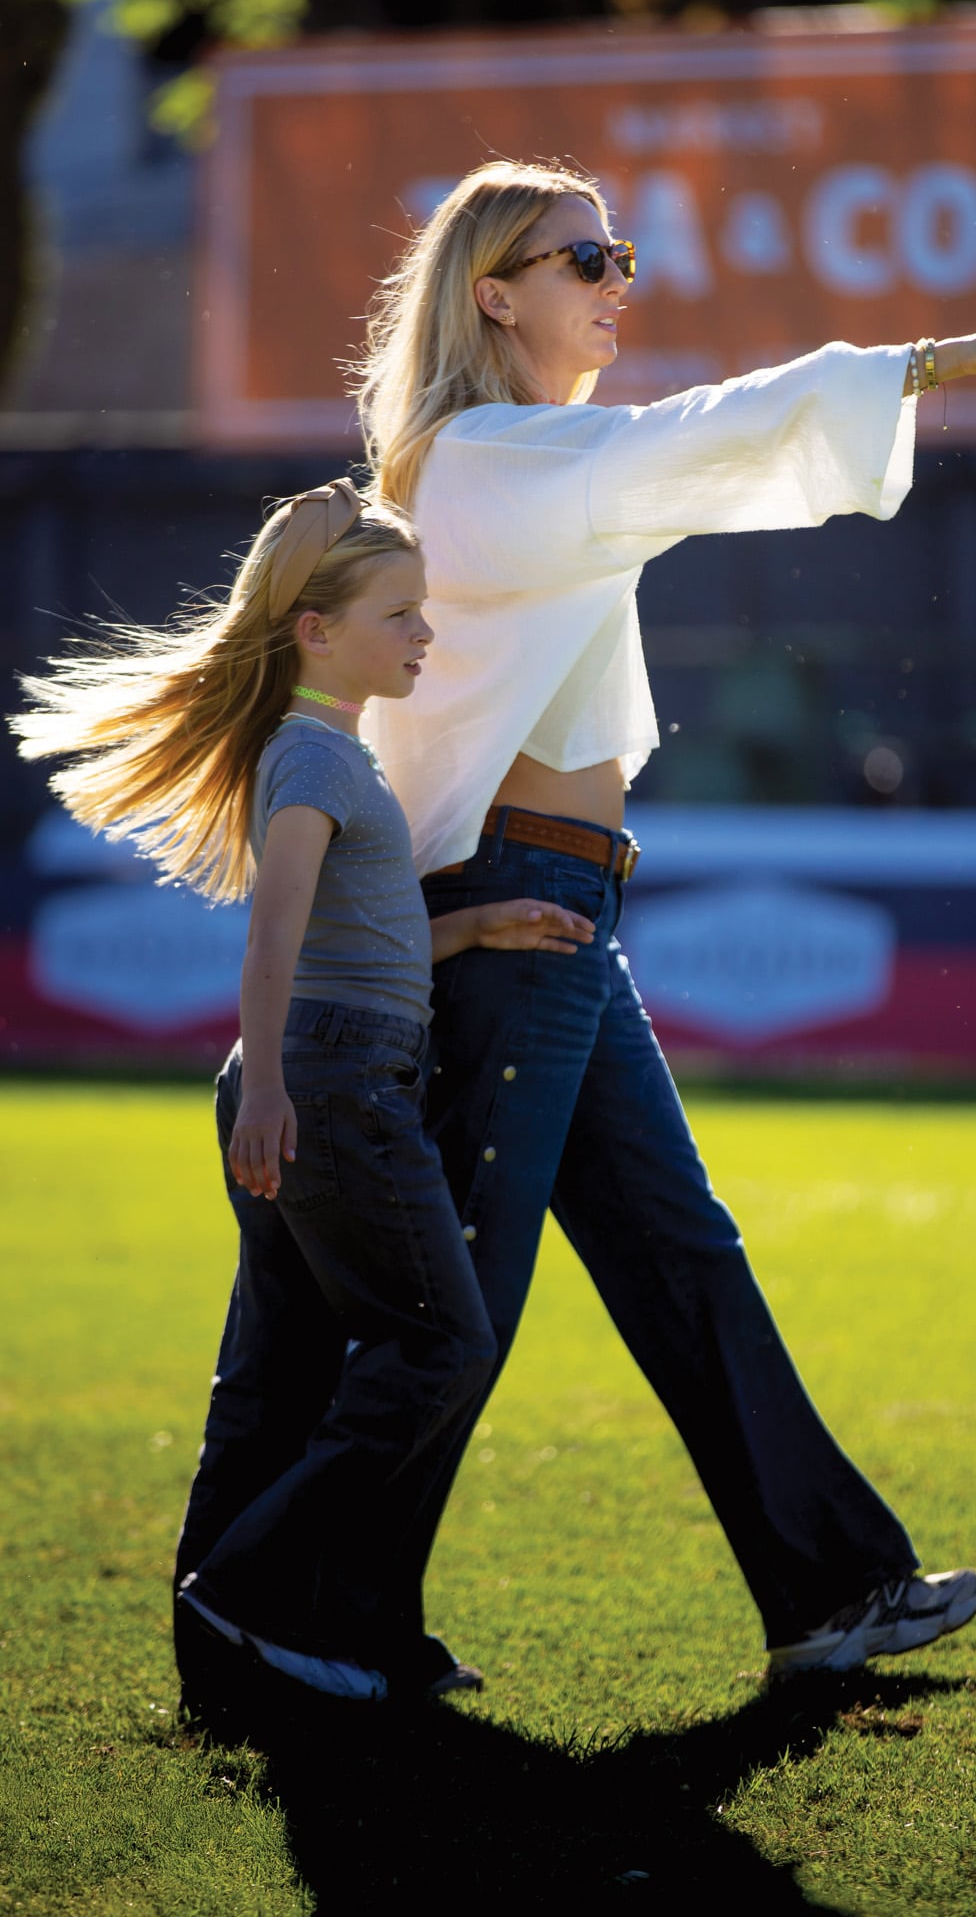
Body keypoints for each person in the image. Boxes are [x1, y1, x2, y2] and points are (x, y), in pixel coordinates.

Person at [354, 158, 976, 1681]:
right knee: (467, 1304)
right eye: (589, 256)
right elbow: (699, 439)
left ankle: (832, 1594)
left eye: (619, 250)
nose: (618, 277)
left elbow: (685, 452)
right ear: (494, 291)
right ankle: (318, 1605)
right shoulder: (496, 460)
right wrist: (934, 362)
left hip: (556, 900)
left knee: (677, 1253)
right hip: (515, 902)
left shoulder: (522, 454)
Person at [11, 478, 592, 1716]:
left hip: (317, 1067)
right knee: (441, 1342)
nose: (423, 635)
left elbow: (350, 940)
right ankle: (255, 1590)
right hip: (325, 1085)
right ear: (317, 631)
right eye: (400, 613)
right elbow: (271, 940)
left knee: (272, 1370)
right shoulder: (316, 753)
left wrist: (481, 922)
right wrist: (269, 1083)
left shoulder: (326, 749)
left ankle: (216, 1650)